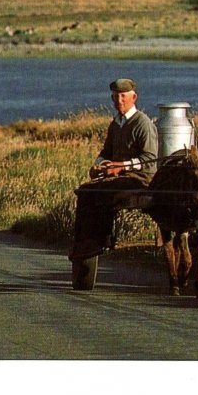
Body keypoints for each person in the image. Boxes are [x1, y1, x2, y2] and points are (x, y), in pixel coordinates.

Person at [69, 78, 158, 261]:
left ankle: (97, 241)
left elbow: (150, 159)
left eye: (123, 96)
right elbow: (106, 152)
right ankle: (84, 241)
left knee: (98, 192)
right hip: (118, 177)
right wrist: (98, 165)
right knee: (85, 191)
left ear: (134, 97)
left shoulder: (142, 123)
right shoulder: (116, 123)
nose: (119, 100)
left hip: (140, 178)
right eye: (116, 96)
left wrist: (120, 167)